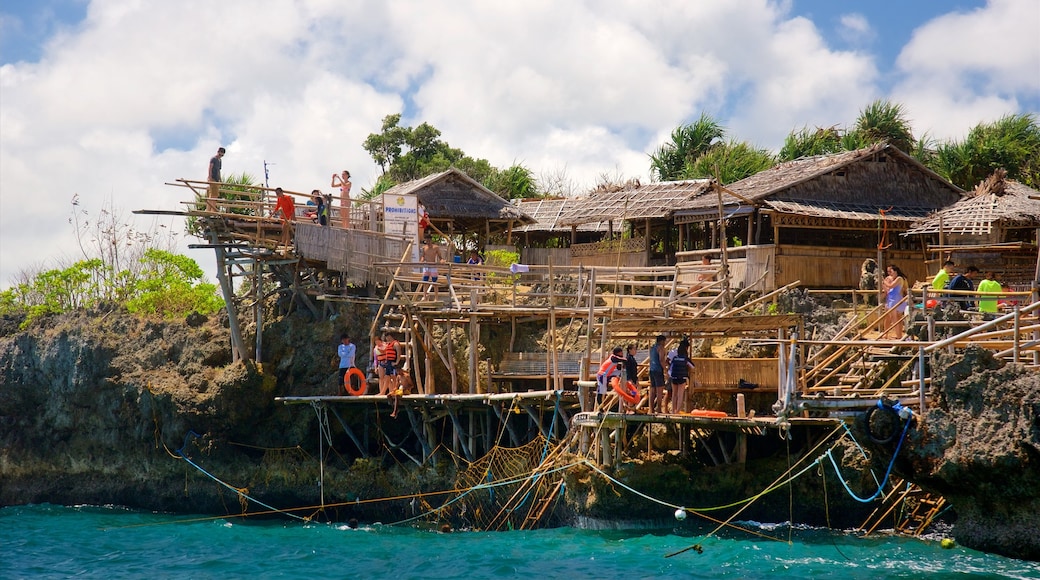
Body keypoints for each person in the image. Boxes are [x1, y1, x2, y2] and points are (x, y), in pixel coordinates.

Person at [882, 264, 909, 339]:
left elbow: (890, 286)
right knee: (888, 317)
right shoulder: (892, 279)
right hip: (890, 299)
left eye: (891, 271)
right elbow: (888, 289)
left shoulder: (899, 278)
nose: (890, 273)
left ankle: (899, 335)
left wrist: (883, 281)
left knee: (895, 319)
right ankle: (886, 333)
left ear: (895, 271)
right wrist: (883, 284)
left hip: (895, 300)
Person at [667, 339, 694, 414]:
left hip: (674, 377)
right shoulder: (685, 358)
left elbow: (671, 367)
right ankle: (677, 411)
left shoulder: (675, 358)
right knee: (680, 395)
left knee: (674, 394)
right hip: (682, 377)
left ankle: (673, 410)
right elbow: (692, 367)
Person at [271, 187, 295, 252]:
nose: (277, 195)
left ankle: (284, 242)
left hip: (288, 217)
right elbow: (277, 207)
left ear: (281, 192)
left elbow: (292, 208)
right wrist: (271, 215)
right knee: (285, 230)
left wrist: (291, 218)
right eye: (276, 194)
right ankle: (287, 243)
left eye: (278, 193)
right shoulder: (279, 199)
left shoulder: (287, 198)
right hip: (283, 217)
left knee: (284, 228)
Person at [420, 237, 444, 301]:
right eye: (427, 241)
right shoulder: (424, 248)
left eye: (429, 240)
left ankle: (436, 298)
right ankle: (425, 296)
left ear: (431, 240)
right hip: (426, 266)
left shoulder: (435, 247)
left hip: (433, 266)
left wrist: (441, 260)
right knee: (425, 282)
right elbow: (423, 256)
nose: (428, 242)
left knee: (435, 283)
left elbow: (440, 256)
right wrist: (421, 260)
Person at [647, 335, 667, 414]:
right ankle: (658, 408)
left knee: (652, 390)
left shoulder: (652, 348)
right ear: (662, 341)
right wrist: (666, 370)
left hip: (652, 370)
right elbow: (661, 360)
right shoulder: (660, 348)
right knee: (659, 390)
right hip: (658, 370)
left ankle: (651, 409)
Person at [379, 332, 402, 397]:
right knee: (387, 377)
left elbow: (398, 354)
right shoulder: (388, 344)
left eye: (387, 337)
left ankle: (394, 391)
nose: (387, 338)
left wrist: (396, 362)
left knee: (393, 377)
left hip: (393, 362)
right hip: (388, 363)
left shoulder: (395, 344)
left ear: (390, 336)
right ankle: (382, 392)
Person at [206, 147, 225, 212]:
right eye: (220, 154)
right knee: (213, 195)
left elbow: (219, 171)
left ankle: (210, 209)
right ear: (218, 152)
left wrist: (220, 180)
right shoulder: (213, 159)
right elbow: (210, 168)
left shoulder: (219, 161)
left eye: (222, 155)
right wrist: (210, 177)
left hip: (216, 179)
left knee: (214, 195)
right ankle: (211, 210)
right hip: (213, 178)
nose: (221, 156)